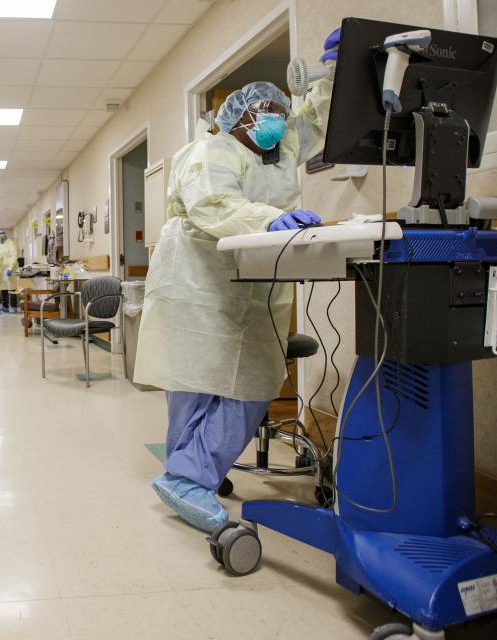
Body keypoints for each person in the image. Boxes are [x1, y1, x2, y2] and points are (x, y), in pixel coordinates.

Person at [135, 28, 340, 533]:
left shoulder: (282, 148)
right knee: (195, 383)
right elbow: (214, 205)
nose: (272, 122)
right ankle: (187, 478)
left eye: (276, 113)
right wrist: (268, 220)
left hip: (256, 289)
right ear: (237, 118)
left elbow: (314, 121)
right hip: (198, 285)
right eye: (261, 114)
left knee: (251, 382)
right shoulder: (211, 151)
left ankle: (190, 474)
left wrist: (338, 71)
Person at [0, 230, 20, 313]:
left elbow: (14, 256)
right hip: (2, 269)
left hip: (10, 268)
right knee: (3, 288)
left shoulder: (11, 244)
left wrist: (10, 267)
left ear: (3, 237)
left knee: (12, 287)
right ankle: (5, 306)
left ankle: (13, 307)